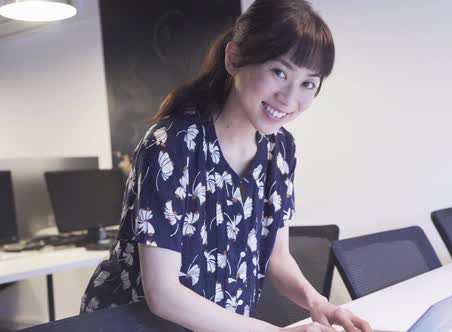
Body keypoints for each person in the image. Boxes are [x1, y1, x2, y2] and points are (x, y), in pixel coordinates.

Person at [81, 1, 372, 331]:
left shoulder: (280, 148)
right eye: (279, 72)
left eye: (308, 83)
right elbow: (163, 294)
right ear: (234, 59)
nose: (290, 99)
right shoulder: (173, 143)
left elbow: (277, 257)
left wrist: (317, 302)